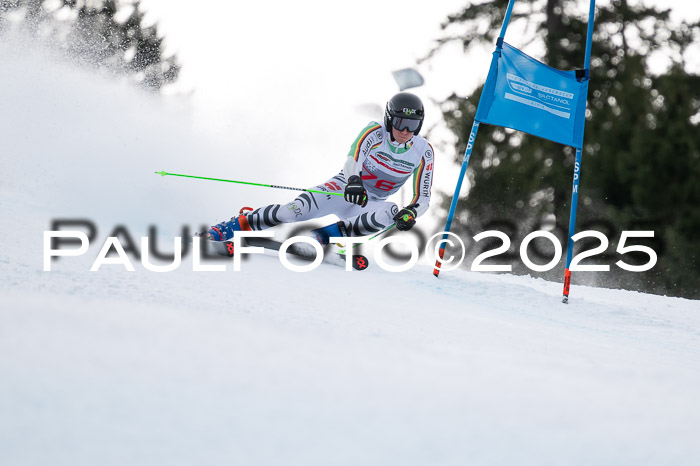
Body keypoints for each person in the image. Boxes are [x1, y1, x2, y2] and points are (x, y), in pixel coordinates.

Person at [204, 91, 435, 245]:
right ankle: (232, 226)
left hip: (370, 204)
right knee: (292, 211)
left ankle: (319, 238)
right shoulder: (374, 133)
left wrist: (412, 212)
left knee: (391, 212)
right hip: (344, 188)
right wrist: (354, 181)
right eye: (400, 123)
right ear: (388, 120)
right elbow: (353, 157)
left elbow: (423, 196)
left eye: (412, 125)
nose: (406, 131)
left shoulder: (423, 151)